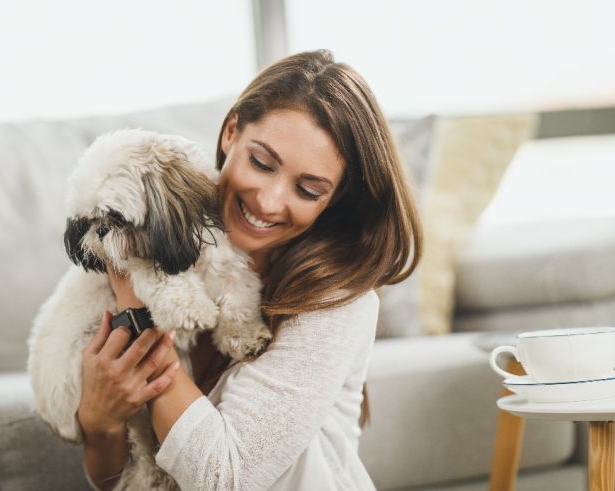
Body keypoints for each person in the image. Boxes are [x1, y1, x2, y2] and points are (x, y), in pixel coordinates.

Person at [76, 49, 422, 490]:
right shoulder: (150, 231)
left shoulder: (340, 303)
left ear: (333, 199)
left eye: (308, 189)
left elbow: (225, 479)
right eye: (262, 163)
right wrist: (100, 421)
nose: (269, 201)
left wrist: (137, 309)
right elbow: (116, 482)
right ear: (231, 131)